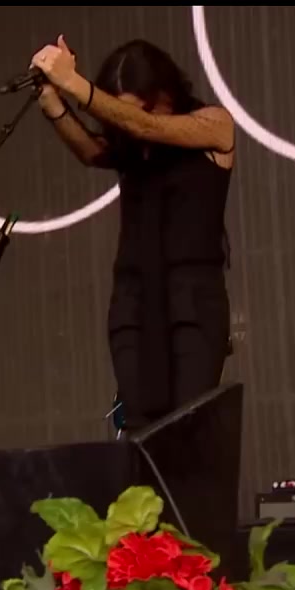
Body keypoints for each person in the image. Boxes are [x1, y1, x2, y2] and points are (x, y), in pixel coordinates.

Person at [29, 36, 235, 431]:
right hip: (134, 300)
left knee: (187, 430)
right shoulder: (135, 148)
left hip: (192, 301)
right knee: (140, 431)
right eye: (118, 111)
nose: (125, 122)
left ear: (164, 93)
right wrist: (53, 102)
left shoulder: (214, 124)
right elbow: (92, 151)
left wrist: (74, 84)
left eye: (135, 108)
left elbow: (144, 125)